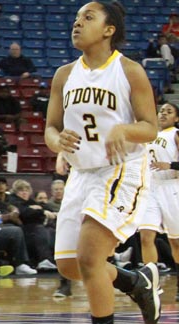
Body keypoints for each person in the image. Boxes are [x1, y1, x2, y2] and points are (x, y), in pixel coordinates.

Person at [44, 2, 160, 324]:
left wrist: (124, 129)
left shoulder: (128, 70)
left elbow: (150, 127)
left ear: (109, 30)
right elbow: (50, 128)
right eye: (77, 18)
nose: (77, 23)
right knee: (69, 265)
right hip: (81, 173)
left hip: (120, 169)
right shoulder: (64, 75)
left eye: (88, 18)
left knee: (90, 258)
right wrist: (58, 142)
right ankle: (135, 281)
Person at [138, 102, 179, 301]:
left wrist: (170, 164)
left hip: (172, 186)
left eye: (168, 111)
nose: (163, 114)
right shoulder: (148, 135)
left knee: (176, 242)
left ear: (176, 118)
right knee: (146, 236)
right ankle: (151, 286)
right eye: (161, 111)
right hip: (151, 188)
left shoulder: (175, 134)